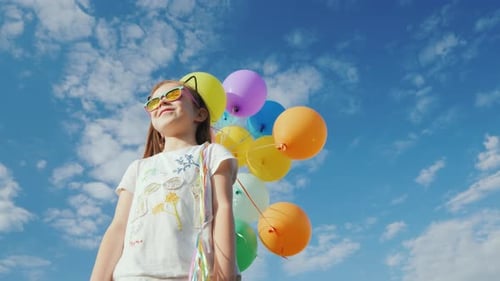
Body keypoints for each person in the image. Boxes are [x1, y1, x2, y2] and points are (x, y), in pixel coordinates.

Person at [90, 76, 240, 281]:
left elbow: (222, 208)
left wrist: (224, 275)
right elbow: (118, 227)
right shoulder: (138, 168)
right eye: (153, 102)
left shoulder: (211, 154)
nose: (161, 102)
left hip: (191, 275)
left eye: (173, 94)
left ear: (200, 113)